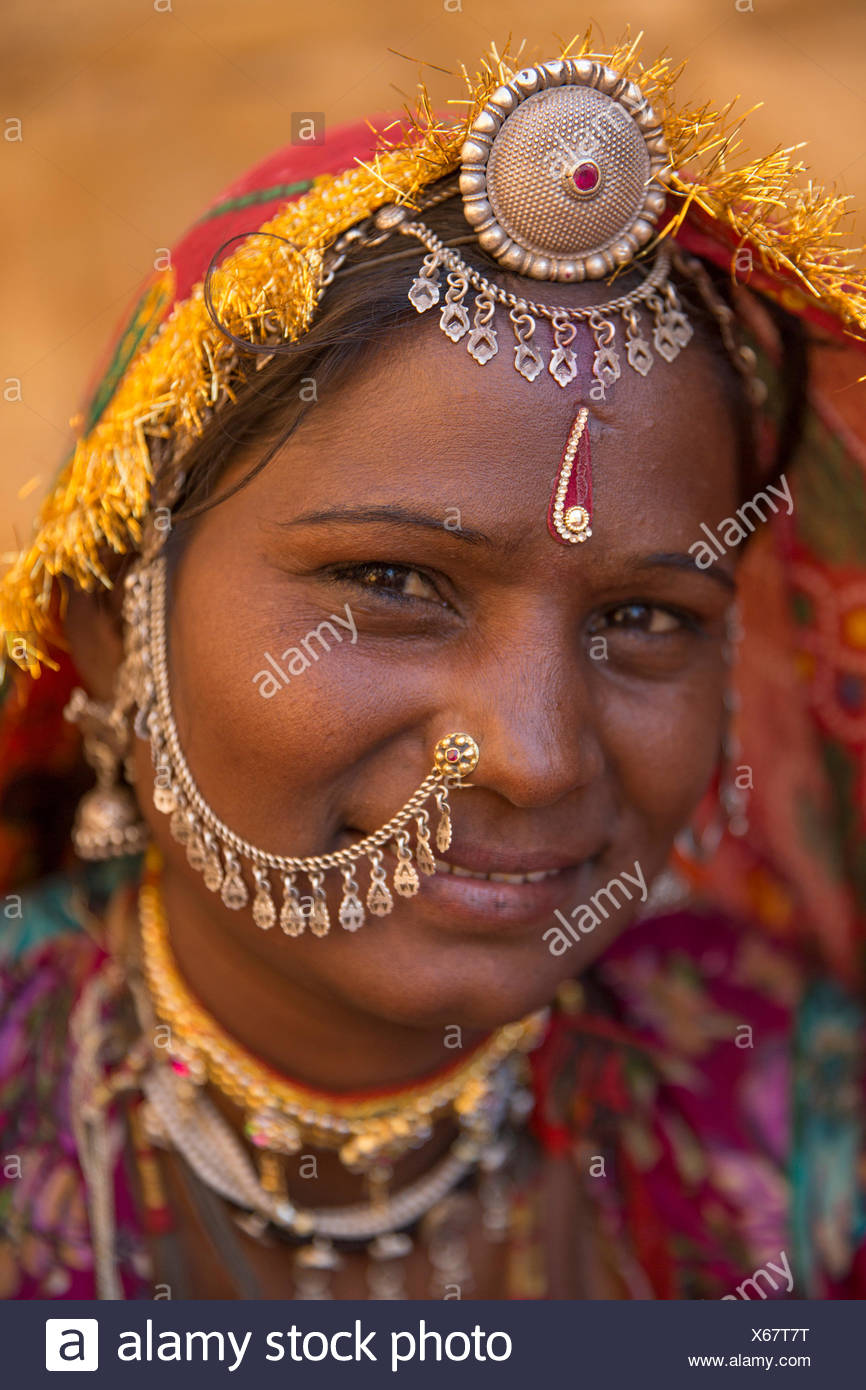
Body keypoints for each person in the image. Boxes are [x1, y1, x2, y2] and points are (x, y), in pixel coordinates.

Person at [1, 35, 864, 1301]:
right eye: (395, 587)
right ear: (110, 621)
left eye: (644, 615)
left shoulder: (799, 1122)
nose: (535, 754)